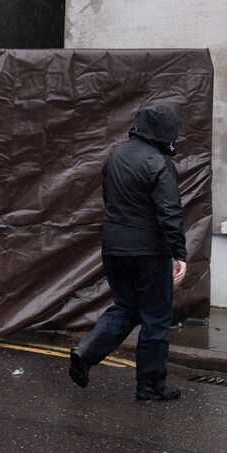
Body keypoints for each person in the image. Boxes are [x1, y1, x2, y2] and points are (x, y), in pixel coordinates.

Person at [69, 103, 188, 401]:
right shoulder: (159, 163)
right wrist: (178, 253)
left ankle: (87, 351)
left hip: (114, 246)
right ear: (164, 132)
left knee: (126, 307)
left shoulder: (115, 156)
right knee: (156, 318)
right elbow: (169, 211)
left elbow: (110, 201)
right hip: (149, 250)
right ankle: (150, 386)